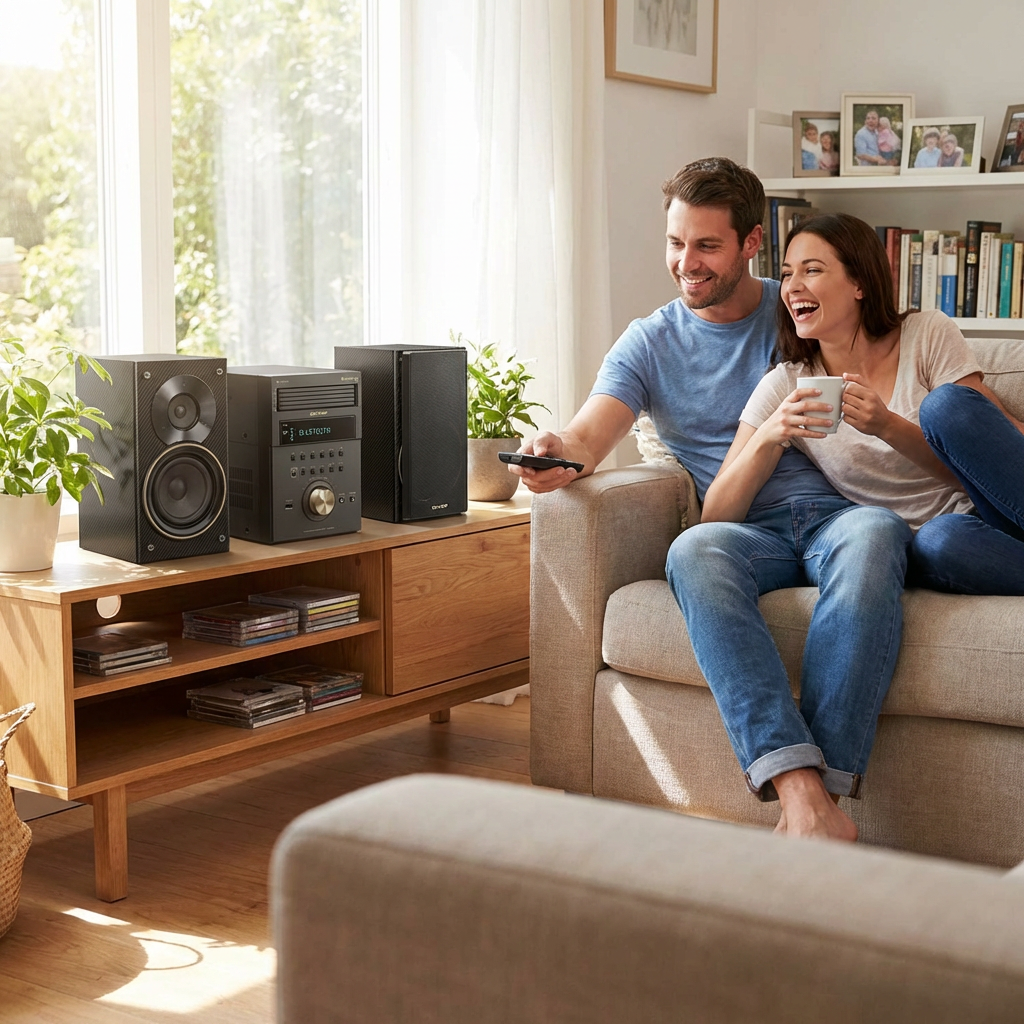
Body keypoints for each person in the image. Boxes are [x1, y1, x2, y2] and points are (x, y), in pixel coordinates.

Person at [509, 158, 912, 842]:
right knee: (693, 550)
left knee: (877, 534)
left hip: (840, 516)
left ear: (753, 243)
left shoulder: (798, 309)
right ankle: (802, 794)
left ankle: (823, 803)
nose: (684, 263)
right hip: (743, 530)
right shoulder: (651, 341)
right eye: (675, 242)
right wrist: (556, 455)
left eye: (706, 246)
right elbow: (589, 434)